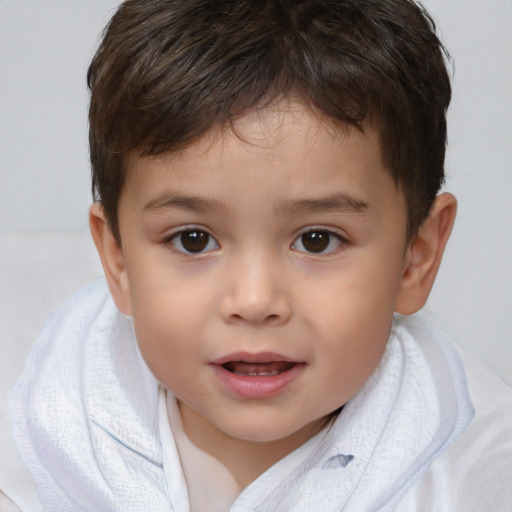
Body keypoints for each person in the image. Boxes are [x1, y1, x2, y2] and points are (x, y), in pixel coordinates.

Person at [7, 0, 511, 510]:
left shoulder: (472, 474)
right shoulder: (36, 437)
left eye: (317, 239)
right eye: (193, 239)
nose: (253, 300)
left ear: (415, 258)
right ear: (117, 259)